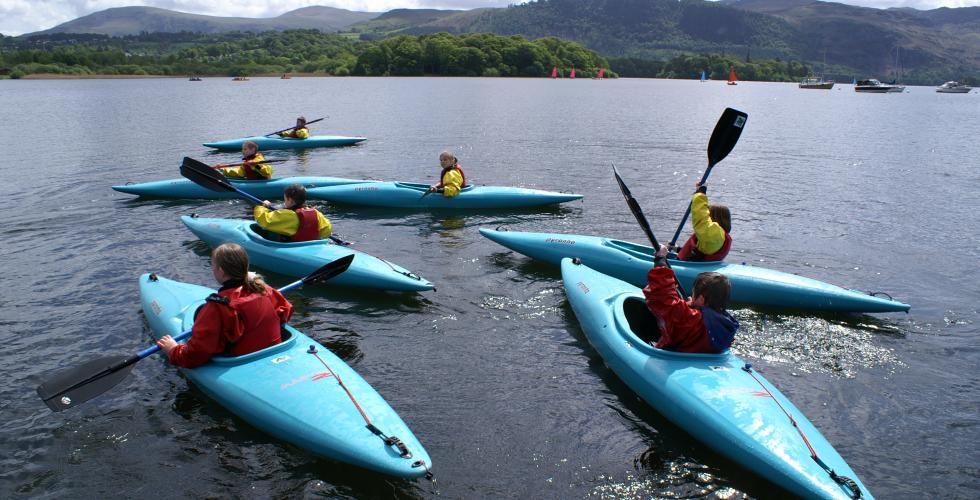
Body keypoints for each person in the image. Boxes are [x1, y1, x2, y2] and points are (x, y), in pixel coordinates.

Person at [156, 243, 293, 368]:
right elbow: (286, 311)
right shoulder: (265, 289)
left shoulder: (217, 307)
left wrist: (173, 350)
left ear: (221, 271)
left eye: (213, 267)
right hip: (274, 350)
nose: (213, 270)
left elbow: (197, 353)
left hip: (242, 364)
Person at [642, 244, 739, 354]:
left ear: (701, 300)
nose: (691, 298)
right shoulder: (727, 325)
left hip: (674, 356)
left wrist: (660, 260)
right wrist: (692, 305)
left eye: (693, 295)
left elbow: (663, 296)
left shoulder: (689, 317)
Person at [254, 184, 333, 242]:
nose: (284, 202)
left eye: (285, 199)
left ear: (290, 200)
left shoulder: (287, 215)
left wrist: (263, 207)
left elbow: (263, 221)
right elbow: (327, 229)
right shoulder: (316, 213)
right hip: (312, 246)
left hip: (293, 248)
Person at [675, 182, 732, 261]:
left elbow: (700, 217)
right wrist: (677, 249)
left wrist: (700, 193)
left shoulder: (716, 234)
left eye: (708, 213)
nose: (706, 215)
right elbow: (700, 251)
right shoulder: (716, 236)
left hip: (696, 268)